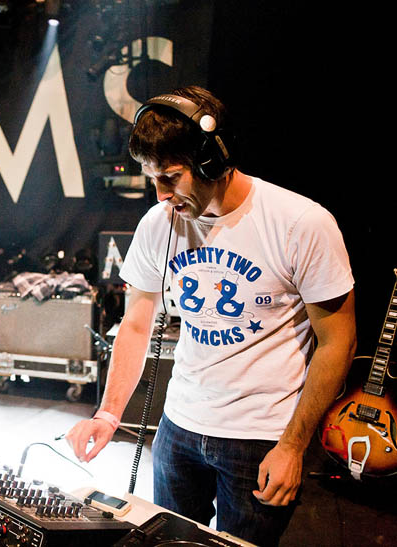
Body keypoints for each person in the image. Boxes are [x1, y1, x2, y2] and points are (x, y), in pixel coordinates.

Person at [66, 86, 356, 546]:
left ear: (213, 160)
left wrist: (294, 446)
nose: (160, 195)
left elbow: (339, 341)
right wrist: (107, 413)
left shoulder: (302, 224)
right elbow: (137, 324)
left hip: (262, 436)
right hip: (178, 429)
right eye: (151, 180)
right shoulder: (157, 225)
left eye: (171, 177)